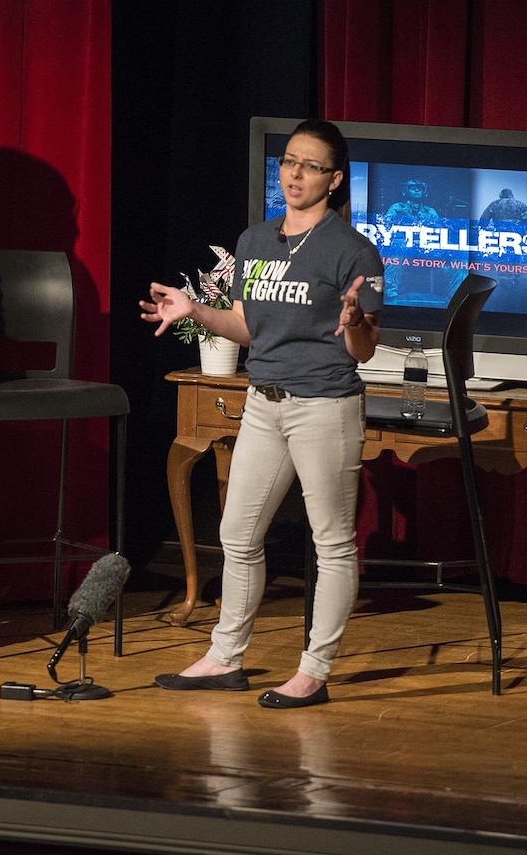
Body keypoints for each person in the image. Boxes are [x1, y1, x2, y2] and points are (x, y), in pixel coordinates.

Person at [140, 120, 384, 709]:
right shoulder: (255, 241)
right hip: (263, 403)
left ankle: (314, 670)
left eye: (310, 166)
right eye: (289, 162)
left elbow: (365, 350)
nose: (294, 174)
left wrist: (354, 324)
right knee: (238, 534)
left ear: (335, 178)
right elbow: (249, 328)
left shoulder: (354, 250)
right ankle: (226, 658)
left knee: (332, 544)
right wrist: (196, 309)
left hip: (324, 405)